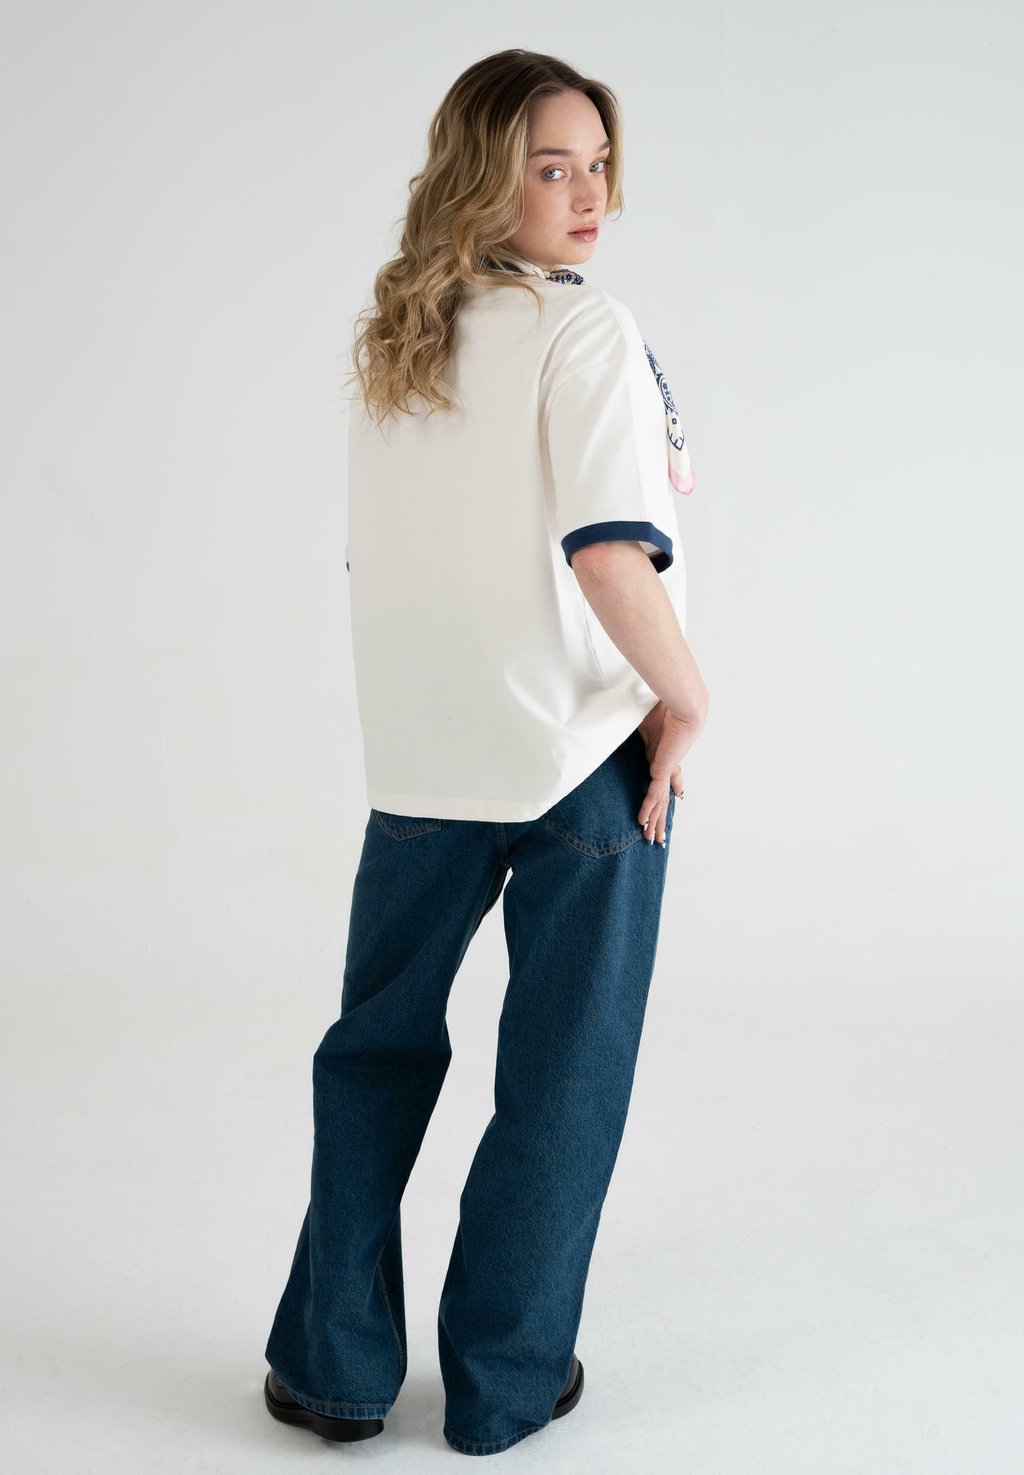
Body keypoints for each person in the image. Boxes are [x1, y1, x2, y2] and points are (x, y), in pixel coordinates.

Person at [262, 47, 710, 1457]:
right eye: (549, 167)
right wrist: (685, 699)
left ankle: (331, 1372)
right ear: (483, 177)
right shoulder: (585, 331)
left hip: (421, 759)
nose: (587, 197)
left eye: (597, 165)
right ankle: (504, 1386)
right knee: (563, 1076)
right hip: (580, 754)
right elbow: (607, 550)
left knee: (372, 1055)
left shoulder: (400, 336)